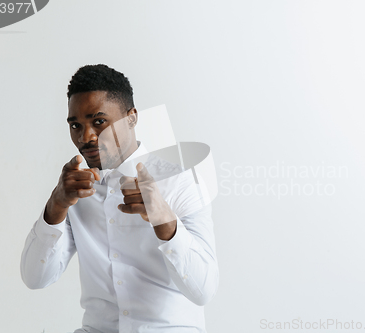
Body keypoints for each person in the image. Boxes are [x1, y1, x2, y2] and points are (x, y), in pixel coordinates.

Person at [20, 64, 219, 333]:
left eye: (99, 121)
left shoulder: (181, 179)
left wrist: (165, 221)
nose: (85, 137)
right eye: (76, 125)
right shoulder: (75, 191)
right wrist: (56, 205)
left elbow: (203, 290)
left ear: (132, 118)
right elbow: (35, 279)